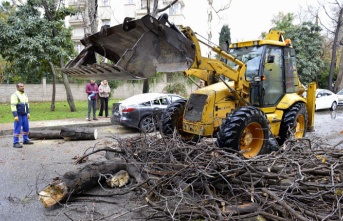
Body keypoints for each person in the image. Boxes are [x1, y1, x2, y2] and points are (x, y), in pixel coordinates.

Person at [10, 82, 34, 148]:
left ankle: (25, 140)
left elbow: (27, 104)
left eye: (23, 86)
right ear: (17, 87)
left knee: (26, 128)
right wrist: (15, 115)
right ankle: (15, 142)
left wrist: (28, 113)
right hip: (19, 115)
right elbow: (13, 106)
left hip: (25, 114)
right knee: (17, 128)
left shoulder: (25, 94)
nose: (23, 87)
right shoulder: (14, 95)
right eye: (21, 86)